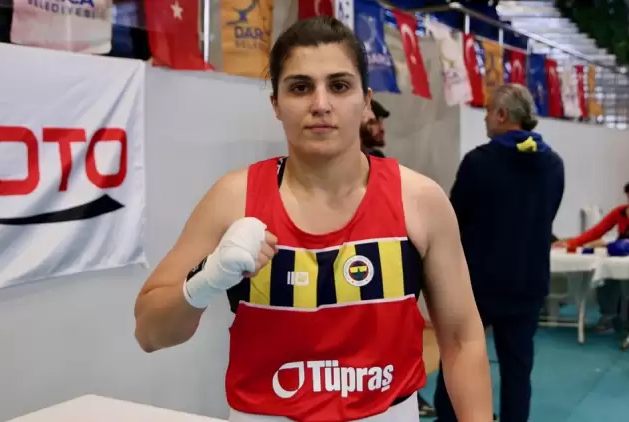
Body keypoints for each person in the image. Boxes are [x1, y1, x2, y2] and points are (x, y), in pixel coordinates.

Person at [133, 16, 492, 422]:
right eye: (300, 87)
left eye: (339, 86)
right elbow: (149, 333)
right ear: (276, 104)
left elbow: (463, 340)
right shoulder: (234, 198)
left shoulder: (420, 200)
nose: (320, 104)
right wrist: (208, 277)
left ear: (366, 101)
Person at [434, 84, 564, 422]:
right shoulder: (553, 164)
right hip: (529, 283)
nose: (486, 118)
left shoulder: (479, 162)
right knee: (517, 371)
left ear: (503, 115)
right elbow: (547, 216)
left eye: (489, 111)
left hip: (480, 285)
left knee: (458, 360)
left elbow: (453, 220)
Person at [553, 180, 629, 332]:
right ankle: (608, 316)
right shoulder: (620, 212)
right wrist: (572, 243)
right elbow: (597, 231)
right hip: (620, 255)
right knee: (606, 276)